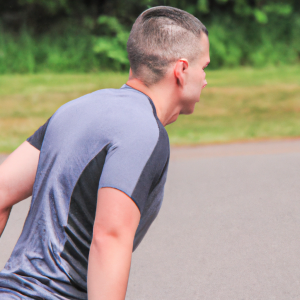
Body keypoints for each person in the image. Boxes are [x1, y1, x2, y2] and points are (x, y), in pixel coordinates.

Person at [0, 5, 210, 300]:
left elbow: (2, 190)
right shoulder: (143, 131)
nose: (205, 79)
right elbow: (109, 239)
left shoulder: (74, 109)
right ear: (182, 70)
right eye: (205, 68)